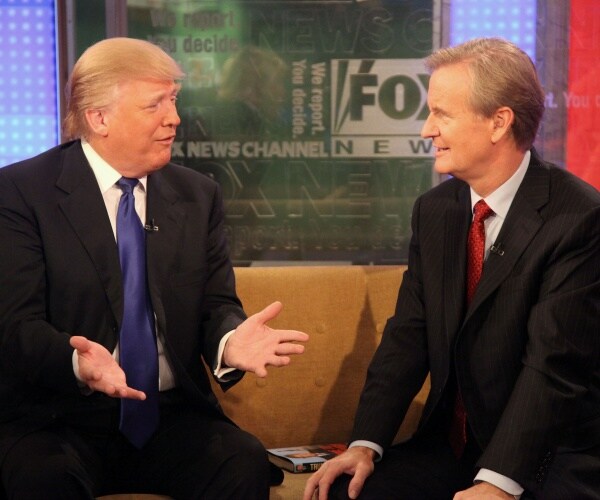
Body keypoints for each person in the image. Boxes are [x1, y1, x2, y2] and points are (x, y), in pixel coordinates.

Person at [0, 37, 309, 499]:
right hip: (60, 417)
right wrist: (77, 363)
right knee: (42, 478)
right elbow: (14, 325)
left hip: (169, 416)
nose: (175, 118)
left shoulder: (197, 195)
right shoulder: (22, 193)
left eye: (174, 100)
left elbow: (216, 304)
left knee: (241, 461)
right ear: (99, 117)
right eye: (155, 105)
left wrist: (229, 340)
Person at [304, 37, 600, 500]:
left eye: (442, 114)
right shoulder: (435, 210)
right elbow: (409, 334)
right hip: (454, 446)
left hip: (548, 455)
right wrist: (365, 443)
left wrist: (498, 481)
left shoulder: (578, 217)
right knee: (348, 492)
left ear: (499, 122)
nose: (426, 130)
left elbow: (552, 365)